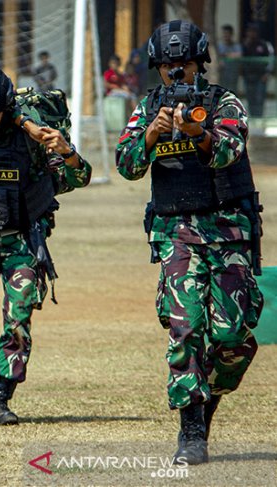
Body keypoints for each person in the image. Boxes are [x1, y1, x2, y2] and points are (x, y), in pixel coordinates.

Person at [116, 20, 262, 465]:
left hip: (227, 234)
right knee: (185, 329)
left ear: (200, 63)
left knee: (232, 338)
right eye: (168, 66)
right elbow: (126, 164)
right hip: (177, 234)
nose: (176, 73)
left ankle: (207, 397)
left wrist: (198, 131)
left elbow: (228, 151)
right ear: (158, 69)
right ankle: (191, 428)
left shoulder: (224, 103)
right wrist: (153, 133)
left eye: (184, 63)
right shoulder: (148, 108)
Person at [0, 65, 92, 425]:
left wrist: (67, 151)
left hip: (23, 241)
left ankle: (0, 397)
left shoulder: (31, 139)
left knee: (18, 320)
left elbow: (79, 177)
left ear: (7, 108)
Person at [241, 23, 273, 117]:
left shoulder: (264, 45)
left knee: (259, 98)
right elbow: (241, 60)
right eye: (250, 31)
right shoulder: (244, 45)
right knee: (250, 98)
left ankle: (259, 117)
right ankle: (253, 118)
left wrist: (267, 74)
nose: (252, 33)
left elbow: (270, 60)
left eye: (254, 31)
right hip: (248, 77)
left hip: (261, 77)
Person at [217, 24, 242, 91]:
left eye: (227, 33)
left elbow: (238, 55)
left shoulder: (236, 46)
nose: (225, 35)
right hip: (222, 75)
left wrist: (224, 55)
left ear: (231, 34)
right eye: (224, 33)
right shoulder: (219, 46)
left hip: (233, 75)